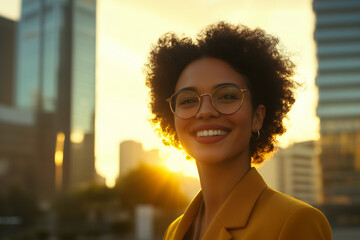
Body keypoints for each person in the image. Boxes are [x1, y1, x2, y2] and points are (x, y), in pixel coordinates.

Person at [145, 22, 332, 240]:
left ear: (257, 117)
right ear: (172, 119)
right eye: (188, 100)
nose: (205, 111)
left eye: (227, 96)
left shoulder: (296, 221)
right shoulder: (174, 231)